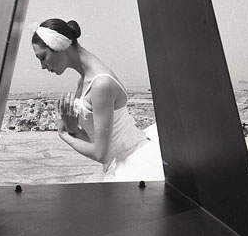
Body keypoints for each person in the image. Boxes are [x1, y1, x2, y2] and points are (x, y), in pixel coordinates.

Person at [32, 18, 164, 182]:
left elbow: (101, 154)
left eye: (42, 57)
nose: (42, 66)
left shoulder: (101, 84)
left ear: (59, 47)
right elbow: (96, 142)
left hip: (133, 164)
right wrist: (73, 129)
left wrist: (64, 134)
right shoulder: (83, 82)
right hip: (113, 165)